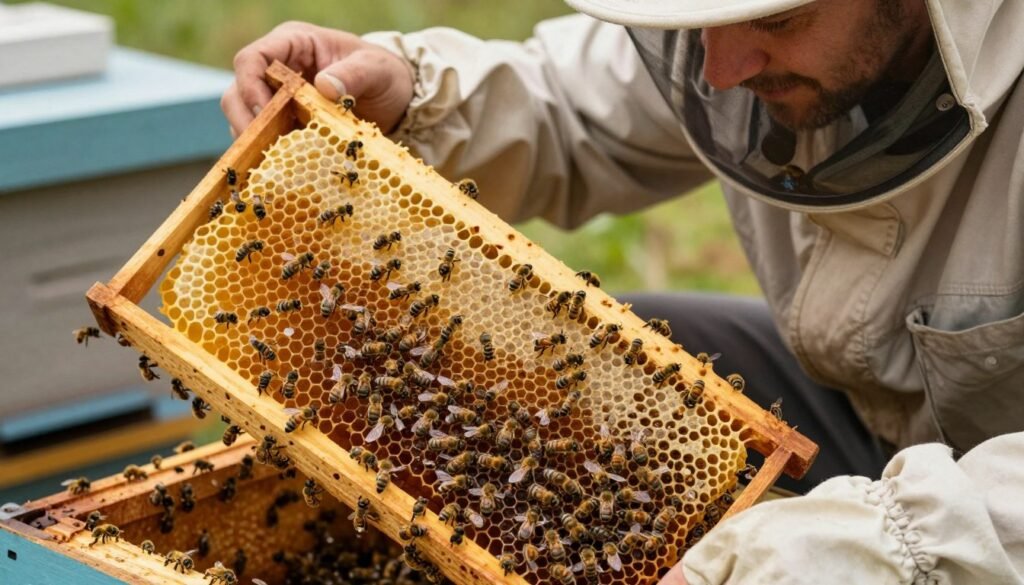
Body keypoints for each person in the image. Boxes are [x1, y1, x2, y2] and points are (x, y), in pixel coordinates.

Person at [223, 0, 1024, 582]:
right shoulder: (740, 44)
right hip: (879, 422)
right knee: (579, 364)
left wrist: (828, 553)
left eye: (777, 21)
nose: (721, 67)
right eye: (703, 20)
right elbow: (574, 105)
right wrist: (412, 92)